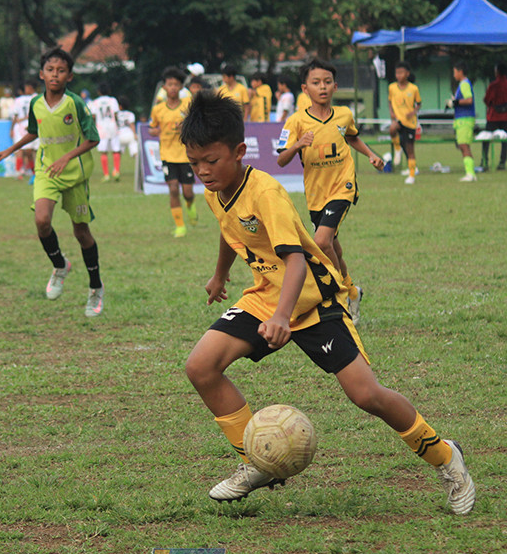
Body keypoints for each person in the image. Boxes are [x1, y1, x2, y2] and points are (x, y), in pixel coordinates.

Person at [179, 91, 475, 515]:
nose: (203, 172)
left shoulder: (266, 192)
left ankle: (447, 458)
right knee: (201, 367)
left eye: (211, 160)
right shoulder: (217, 189)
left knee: (366, 395)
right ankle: (255, 461)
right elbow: (231, 230)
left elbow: (296, 261)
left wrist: (284, 317)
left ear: (240, 151)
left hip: (313, 301)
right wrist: (220, 274)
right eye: (195, 163)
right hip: (266, 296)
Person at [0, 47, 104, 318]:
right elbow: (33, 131)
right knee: (42, 220)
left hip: (74, 173)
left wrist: (66, 158)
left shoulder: (75, 104)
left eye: (61, 70)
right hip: (45, 170)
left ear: (70, 76)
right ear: (42, 74)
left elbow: (93, 139)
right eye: (50, 70)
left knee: (81, 233)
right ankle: (60, 265)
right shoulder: (35, 104)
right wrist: (10, 150)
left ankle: (96, 288)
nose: (55, 75)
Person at [277, 58, 375, 325]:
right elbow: (281, 159)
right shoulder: (295, 121)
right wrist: (298, 144)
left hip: (343, 186)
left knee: (321, 242)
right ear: (305, 88)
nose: (322, 87)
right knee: (333, 247)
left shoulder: (343, 115)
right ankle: (354, 291)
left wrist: (370, 155)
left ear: (335, 86)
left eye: (327, 82)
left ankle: (342, 295)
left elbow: (351, 136)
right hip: (316, 194)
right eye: (316, 82)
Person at [149, 67, 197, 238]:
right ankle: (180, 226)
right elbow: (152, 128)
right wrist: (155, 131)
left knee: (188, 192)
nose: (173, 88)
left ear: (180, 87)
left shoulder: (187, 104)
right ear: (164, 87)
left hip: (185, 155)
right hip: (167, 155)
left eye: (176, 85)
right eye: (170, 84)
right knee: (173, 189)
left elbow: (196, 122)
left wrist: (186, 126)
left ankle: (190, 206)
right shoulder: (158, 109)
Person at [388, 61, 422, 184]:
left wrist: (413, 112)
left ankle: (412, 175)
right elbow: (389, 101)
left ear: (407, 74)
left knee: (410, 149)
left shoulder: (413, 88)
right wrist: (391, 112)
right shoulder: (392, 87)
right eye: (397, 73)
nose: (399, 75)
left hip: (410, 123)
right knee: (392, 128)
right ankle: (397, 149)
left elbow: (418, 104)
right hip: (398, 119)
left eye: (401, 73)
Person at [481, 63, 507, 171]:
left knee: (486, 139)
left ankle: (485, 161)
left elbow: (486, 100)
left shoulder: (493, 85)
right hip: (506, 116)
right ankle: (502, 162)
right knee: (504, 140)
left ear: (497, 72)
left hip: (494, 116)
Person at [449, 61, 477, 182]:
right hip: (462, 118)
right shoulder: (463, 84)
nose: (454, 75)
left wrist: (456, 102)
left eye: (455, 72)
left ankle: (470, 174)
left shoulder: (464, 84)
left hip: (464, 119)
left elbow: (469, 100)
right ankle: (471, 173)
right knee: (464, 145)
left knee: (463, 145)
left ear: (460, 72)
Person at [89, 83, 122, 182]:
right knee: (116, 150)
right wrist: (117, 124)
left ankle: (106, 174)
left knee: (103, 151)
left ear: (98, 91)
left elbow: (93, 116)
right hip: (112, 126)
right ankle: (116, 170)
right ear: (109, 91)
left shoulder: (95, 102)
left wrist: (94, 127)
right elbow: (116, 114)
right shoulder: (113, 100)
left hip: (101, 127)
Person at [9, 80, 39, 182]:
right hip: (22, 126)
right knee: (22, 150)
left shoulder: (36, 98)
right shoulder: (22, 99)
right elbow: (15, 115)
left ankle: (33, 172)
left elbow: (15, 115)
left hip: (28, 125)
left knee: (29, 151)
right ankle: (20, 172)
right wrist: (12, 128)